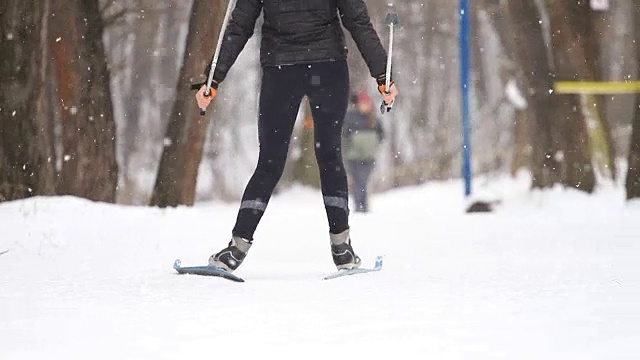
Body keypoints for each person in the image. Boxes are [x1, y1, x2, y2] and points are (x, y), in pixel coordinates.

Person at [195, 0, 399, 273]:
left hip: (282, 71)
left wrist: (214, 78)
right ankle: (343, 249)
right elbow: (357, 21)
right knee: (329, 156)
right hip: (327, 68)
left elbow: (239, 26)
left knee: (270, 162)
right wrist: (383, 76)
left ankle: (236, 249)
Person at [343, 91, 384, 213]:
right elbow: (344, 136)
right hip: (353, 157)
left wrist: (372, 144)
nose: (365, 106)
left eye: (367, 103)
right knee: (358, 181)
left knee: (363, 181)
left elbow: (381, 135)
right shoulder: (350, 118)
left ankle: (362, 205)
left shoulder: (373, 119)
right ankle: (359, 205)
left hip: (368, 157)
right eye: (363, 103)